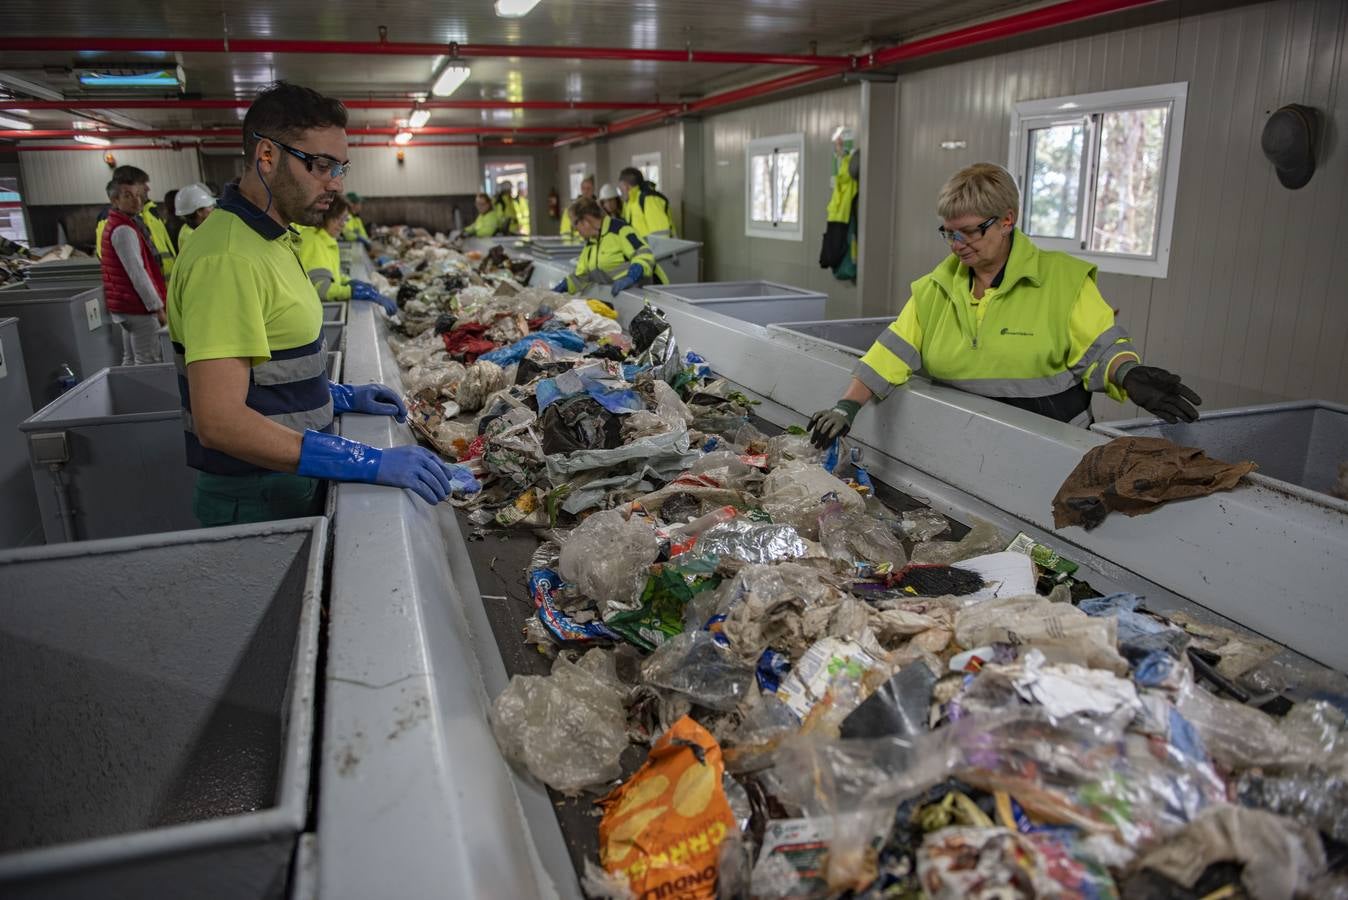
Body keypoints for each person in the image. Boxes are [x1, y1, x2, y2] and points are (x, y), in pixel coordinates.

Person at [168, 81, 478, 527]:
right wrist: (362, 459)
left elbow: (267, 374)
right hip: (257, 499)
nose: (336, 183)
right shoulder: (227, 258)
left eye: (341, 167)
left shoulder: (273, 239)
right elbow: (219, 421)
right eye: (321, 165)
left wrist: (334, 395)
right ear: (267, 156)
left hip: (284, 481)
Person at [809, 163, 1201, 448]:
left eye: (970, 231)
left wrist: (1129, 374)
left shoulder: (1063, 281)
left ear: (1007, 220)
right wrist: (847, 407)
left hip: (1051, 444)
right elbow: (889, 354)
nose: (957, 244)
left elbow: (1100, 348)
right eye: (948, 233)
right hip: (962, 442)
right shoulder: (934, 289)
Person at [100, 171, 167, 365]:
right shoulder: (124, 230)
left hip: (125, 306)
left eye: (138, 195)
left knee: (130, 359)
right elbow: (137, 272)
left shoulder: (117, 224)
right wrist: (157, 307)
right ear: (114, 200)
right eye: (127, 196)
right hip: (138, 307)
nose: (136, 201)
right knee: (149, 361)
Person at [294, 194, 397, 313]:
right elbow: (322, 289)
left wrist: (348, 281)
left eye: (345, 219)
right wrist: (351, 291)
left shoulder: (327, 240)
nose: (343, 224)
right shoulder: (313, 241)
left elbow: (332, 274)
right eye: (338, 218)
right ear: (325, 216)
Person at [553, 196, 668, 297]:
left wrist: (631, 276)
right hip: (627, 298)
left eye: (575, 225)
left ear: (586, 220)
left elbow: (644, 255)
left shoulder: (619, 230)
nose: (576, 230)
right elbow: (581, 277)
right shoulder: (591, 245)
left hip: (649, 295)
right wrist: (559, 289)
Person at [94, 165, 177, 276]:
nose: (147, 188)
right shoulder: (109, 220)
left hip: (166, 287)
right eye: (142, 184)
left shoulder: (150, 212)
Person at [617, 166, 674, 238]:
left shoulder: (649, 200)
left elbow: (661, 235)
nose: (621, 192)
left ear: (626, 186)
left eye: (620, 188)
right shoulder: (629, 202)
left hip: (656, 248)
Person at [173, 183, 216, 254]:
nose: (213, 209)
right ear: (199, 211)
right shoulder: (191, 236)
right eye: (210, 206)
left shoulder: (190, 229)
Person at [560, 174, 596, 240]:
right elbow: (565, 233)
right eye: (583, 188)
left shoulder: (599, 209)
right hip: (577, 247)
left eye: (588, 188)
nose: (586, 191)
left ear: (593, 189)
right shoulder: (570, 210)